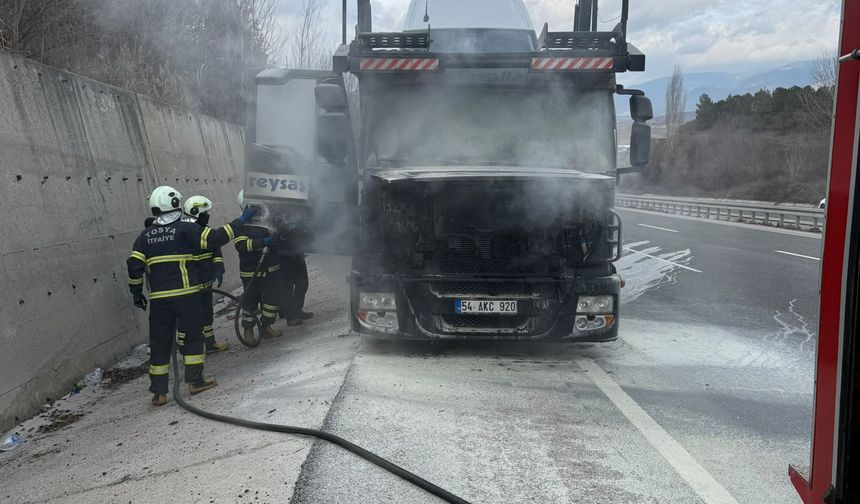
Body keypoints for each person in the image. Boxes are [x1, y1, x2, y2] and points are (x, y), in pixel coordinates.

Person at [127, 185, 254, 406]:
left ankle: (159, 393)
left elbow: (134, 267)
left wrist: (136, 293)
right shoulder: (185, 229)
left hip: (159, 301)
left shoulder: (144, 237)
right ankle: (196, 382)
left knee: (160, 342)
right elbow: (216, 238)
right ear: (175, 204)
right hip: (186, 296)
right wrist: (241, 220)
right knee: (193, 336)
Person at [175, 195, 230, 355]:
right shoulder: (185, 232)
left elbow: (215, 249)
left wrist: (218, 267)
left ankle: (210, 343)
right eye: (205, 213)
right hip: (189, 287)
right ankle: (186, 348)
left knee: (207, 314)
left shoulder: (205, 231)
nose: (207, 216)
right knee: (188, 317)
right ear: (196, 212)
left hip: (205, 283)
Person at [233, 190, 282, 342]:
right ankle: (248, 331)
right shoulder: (241, 224)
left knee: (271, 301)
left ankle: (266, 326)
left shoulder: (268, 220)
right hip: (251, 271)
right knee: (250, 302)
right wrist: (262, 242)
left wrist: (276, 239)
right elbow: (241, 245)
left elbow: (279, 239)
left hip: (271, 269)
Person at [280, 252, 313, 326]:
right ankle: (290, 317)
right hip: (283, 257)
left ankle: (297, 311)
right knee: (287, 288)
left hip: (297, 253)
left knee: (303, 284)